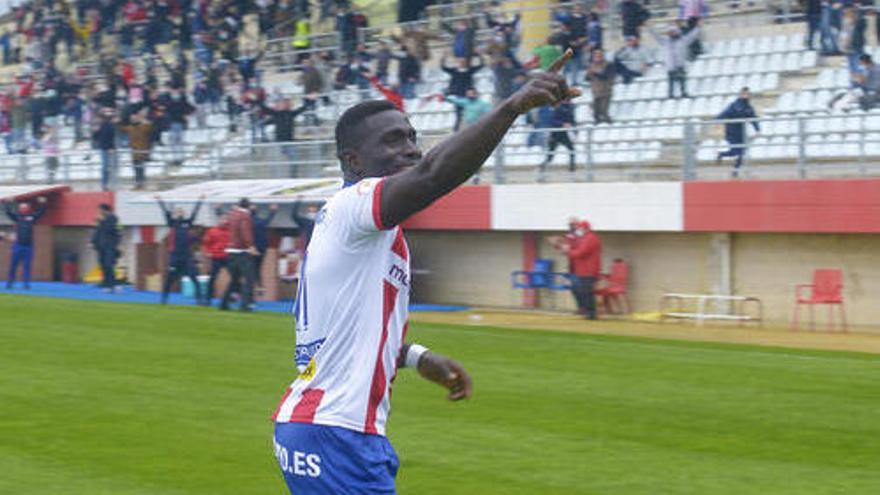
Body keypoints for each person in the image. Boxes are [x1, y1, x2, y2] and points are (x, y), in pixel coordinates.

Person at [271, 49, 578, 495]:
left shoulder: (363, 232)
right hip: (335, 433)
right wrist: (512, 107)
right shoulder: (355, 205)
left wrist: (416, 357)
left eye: (412, 137)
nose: (411, 149)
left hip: (322, 428)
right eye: (393, 140)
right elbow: (433, 174)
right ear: (354, 161)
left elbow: (351, 335)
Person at [156, 194, 204, 305]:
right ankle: (164, 298)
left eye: (182, 211)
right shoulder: (172, 223)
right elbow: (165, 213)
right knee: (170, 278)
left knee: (194, 277)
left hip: (186, 256)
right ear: (176, 214)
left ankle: (199, 299)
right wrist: (160, 201)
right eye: (178, 211)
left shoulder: (187, 223)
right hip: (175, 256)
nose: (180, 213)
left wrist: (199, 201)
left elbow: (195, 213)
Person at [3, 196, 48, 290]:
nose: (23, 209)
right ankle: (10, 282)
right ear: (20, 209)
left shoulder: (32, 217)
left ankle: (26, 283)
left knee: (27, 265)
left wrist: (43, 203)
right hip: (18, 245)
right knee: (13, 264)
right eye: (22, 207)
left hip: (28, 246)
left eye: (25, 207)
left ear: (28, 209)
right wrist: (8, 203)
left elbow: (41, 213)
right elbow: (8, 213)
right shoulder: (17, 217)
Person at [648, 19, 701, 98]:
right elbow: (656, 36)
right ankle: (670, 94)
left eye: (673, 32)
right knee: (671, 81)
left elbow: (692, 35)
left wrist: (698, 27)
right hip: (671, 66)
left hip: (680, 65)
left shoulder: (683, 40)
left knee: (682, 80)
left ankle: (684, 92)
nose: (671, 34)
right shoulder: (665, 41)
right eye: (670, 32)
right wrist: (650, 28)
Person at [222, 197, 257, 312]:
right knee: (249, 279)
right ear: (249, 206)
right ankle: (245, 305)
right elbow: (245, 231)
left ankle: (224, 303)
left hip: (230, 251)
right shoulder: (245, 216)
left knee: (234, 280)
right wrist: (250, 246)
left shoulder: (232, 215)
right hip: (242, 251)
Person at [716, 87, 760, 178]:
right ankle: (723, 156)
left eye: (748, 94)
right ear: (740, 94)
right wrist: (718, 120)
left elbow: (754, 119)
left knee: (741, 153)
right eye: (744, 94)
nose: (746, 96)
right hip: (732, 133)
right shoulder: (734, 105)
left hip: (742, 133)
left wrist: (757, 129)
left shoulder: (749, 107)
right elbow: (725, 113)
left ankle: (735, 170)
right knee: (737, 152)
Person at [564, 220, 602, 320]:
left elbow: (581, 252)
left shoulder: (590, 238)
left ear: (584, 228)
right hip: (584, 270)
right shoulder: (585, 238)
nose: (578, 230)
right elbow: (577, 249)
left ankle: (591, 313)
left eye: (580, 228)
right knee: (584, 292)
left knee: (587, 292)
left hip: (588, 270)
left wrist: (568, 251)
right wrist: (567, 248)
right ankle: (589, 312)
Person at [118, 108, 154, 190]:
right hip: (134, 152)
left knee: (140, 168)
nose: (133, 119)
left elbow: (151, 128)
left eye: (134, 118)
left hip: (141, 151)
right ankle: (138, 183)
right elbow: (121, 128)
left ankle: (141, 183)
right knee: (136, 168)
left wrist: (146, 121)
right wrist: (119, 121)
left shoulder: (143, 127)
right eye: (132, 118)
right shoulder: (130, 128)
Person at [202, 213, 231, 305]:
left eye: (226, 219)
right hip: (216, 257)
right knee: (212, 278)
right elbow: (206, 243)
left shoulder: (231, 231)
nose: (225, 221)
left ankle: (232, 296)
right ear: (219, 220)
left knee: (234, 277)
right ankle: (207, 298)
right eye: (223, 219)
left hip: (228, 257)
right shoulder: (212, 231)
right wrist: (208, 252)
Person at [91, 203, 120, 293]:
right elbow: (97, 231)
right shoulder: (100, 220)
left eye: (100, 209)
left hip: (110, 246)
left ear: (105, 210)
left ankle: (113, 285)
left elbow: (111, 230)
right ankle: (106, 283)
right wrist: (92, 241)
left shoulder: (113, 218)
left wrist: (102, 221)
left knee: (108, 265)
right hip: (101, 246)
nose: (98, 212)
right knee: (103, 265)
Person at [541, 100, 576, 172]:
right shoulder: (558, 107)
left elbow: (572, 120)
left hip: (564, 134)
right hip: (555, 134)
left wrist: (573, 128)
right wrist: (562, 124)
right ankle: (542, 169)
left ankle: (572, 170)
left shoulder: (570, 107)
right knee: (550, 155)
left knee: (572, 150)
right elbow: (552, 121)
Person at [251, 203, 278, 289]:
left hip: (253, 247)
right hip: (261, 247)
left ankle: (257, 285)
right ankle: (258, 285)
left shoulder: (249, 221)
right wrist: (273, 211)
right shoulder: (258, 222)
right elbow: (267, 220)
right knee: (257, 267)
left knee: (254, 268)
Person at [586, 49, 615, 123]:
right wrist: (589, 74)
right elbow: (587, 79)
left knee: (604, 112)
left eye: (599, 56)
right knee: (596, 113)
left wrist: (594, 73)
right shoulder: (591, 66)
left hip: (606, 91)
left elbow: (606, 76)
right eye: (595, 56)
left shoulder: (609, 65)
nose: (597, 57)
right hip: (595, 92)